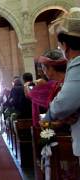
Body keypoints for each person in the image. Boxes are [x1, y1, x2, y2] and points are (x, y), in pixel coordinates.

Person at [41, 7, 80, 164]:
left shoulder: (77, 63)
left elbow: (64, 103)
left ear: (65, 44)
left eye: (59, 45)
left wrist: (48, 118)